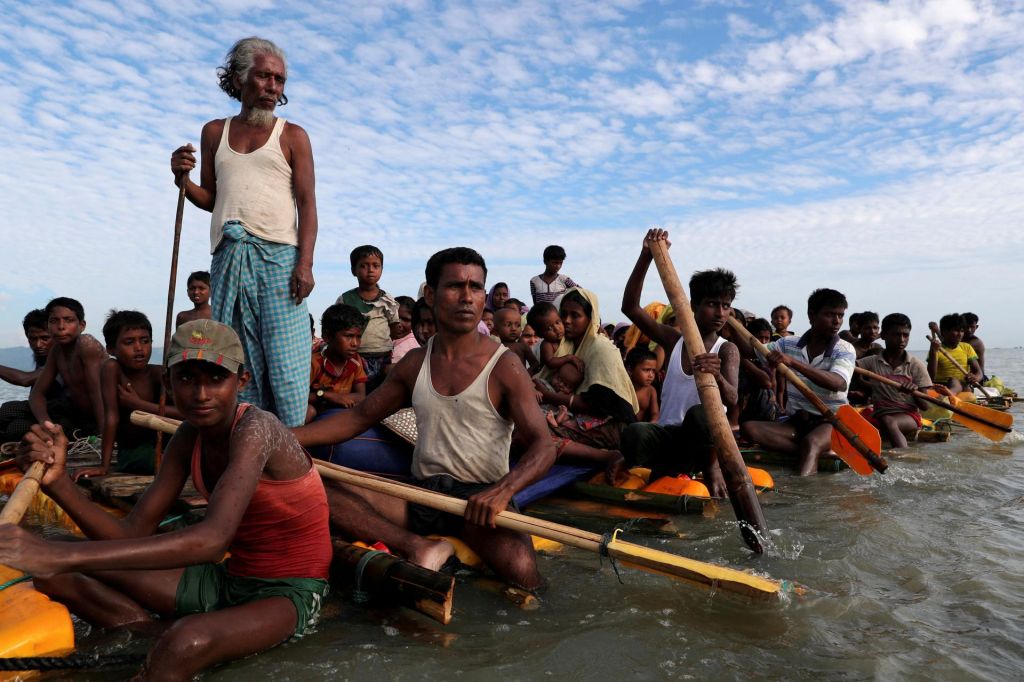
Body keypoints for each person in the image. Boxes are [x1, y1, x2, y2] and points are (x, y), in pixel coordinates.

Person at [3, 320, 332, 681]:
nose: (201, 394)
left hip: (289, 593)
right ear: (168, 383)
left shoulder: (258, 428)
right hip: (229, 581)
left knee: (185, 641)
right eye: (187, 379)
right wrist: (58, 483)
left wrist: (55, 556)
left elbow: (212, 541)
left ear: (242, 381)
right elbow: (130, 534)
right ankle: (145, 635)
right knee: (57, 574)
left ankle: (171, 643)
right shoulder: (189, 435)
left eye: (215, 379)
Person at [295, 247, 556, 590]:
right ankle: (419, 546)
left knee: (525, 574)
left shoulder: (504, 365)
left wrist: (502, 492)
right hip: (423, 494)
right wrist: (286, 436)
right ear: (431, 295)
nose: (466, 297)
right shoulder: (415, 363)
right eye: (455, 286)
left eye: (476, 287)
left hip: (480, 499)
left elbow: (545, 445)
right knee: (320, 489)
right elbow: (358, 418)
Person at [170, 37, 317, 428]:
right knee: (239, 356)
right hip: (229, 257)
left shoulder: (293, 136)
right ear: (238, 80)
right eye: (264, 76)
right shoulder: (214, 132)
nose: (273, 86)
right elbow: (211, 199)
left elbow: (307, 204)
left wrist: (305, 264)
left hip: (280, 260)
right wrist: (180, 178)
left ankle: (290, 447)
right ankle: (248, 441)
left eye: (280, 80)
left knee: (286, 360)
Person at [618, 229, 738, 495]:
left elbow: (732, 400)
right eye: (712, 304)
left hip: (706, 445)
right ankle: (664, 467)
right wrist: (645, 256)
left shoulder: (726, 349)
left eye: (725, 305)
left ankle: (709, 469)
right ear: (693, 305)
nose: (720, 313)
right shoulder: (673, 340)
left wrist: (717, 376)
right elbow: (630, 307)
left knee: (701, 414)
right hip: (671, 438)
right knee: (634, 434)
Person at [740, 288, 856, 476]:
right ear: (812, 315)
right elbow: (749, 350)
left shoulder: (844, 348)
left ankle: (806, 494)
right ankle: (820, 452)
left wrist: (792, 362)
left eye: (840, 316)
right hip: (799, 421)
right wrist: (732, 324)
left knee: (811, 443)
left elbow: (838, 383)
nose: (836, 321)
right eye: (829, 315)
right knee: (749, 428)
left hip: (833, 422)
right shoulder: (787, 343)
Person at [534, 286, 638, 483]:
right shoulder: (568, 346)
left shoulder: (600, 348)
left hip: (611, 424)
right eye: (563, 314)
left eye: (575, 315)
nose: (566, 321)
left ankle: (608, 456)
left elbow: (598, 405)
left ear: (591, 318)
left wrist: (548, 396)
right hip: (579, 416)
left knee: (532, 435)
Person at [75, 311, 181, 480]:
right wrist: (105, 466)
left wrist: (139, 404)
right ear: (111, 349)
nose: (139, 348)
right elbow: (111, 417)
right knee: (154, 463)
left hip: (167, 445)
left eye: (145, 341)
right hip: (134, 452)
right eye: (129, 342)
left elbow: (185, 415)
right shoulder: (112, 368)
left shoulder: (158, 374)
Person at [29, 298, 106, 438]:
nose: (61, 326)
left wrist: (105, 436)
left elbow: (97, 393)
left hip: (106, 417)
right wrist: (46, 424)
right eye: (54, 321)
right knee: (11, 412)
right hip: (79, 416)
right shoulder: (56, 351)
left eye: (68, 320)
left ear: (81, 325)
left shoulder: (86, 344)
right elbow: (36, 394)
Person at [857, 313, 936, 449]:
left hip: (908, 417)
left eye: (906, 335)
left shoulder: (915, 365)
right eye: (896, 335)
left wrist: (914, 391)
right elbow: (847, 368)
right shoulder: (872, 362)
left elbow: (925, 406)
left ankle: (903, 456)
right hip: (879, 414)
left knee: (889, 421)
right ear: (883, 336)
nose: (901, 340)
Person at [338, 245, 400, 391]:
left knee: (382, 391)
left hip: (383, 356)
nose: (370, 270)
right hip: (355, 356)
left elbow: (394, 327)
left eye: (375, 265)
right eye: (364, 266)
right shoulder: (345, 299)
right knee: (358, 391)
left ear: (381, 269)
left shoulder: (387, 300)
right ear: (354, 270)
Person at [0, 310, 56, 441]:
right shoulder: (43, 357)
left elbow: (25, 379)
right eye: (33, 339)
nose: (38, 345)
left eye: (45, 338)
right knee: (9, 418)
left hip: (63, 415)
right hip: (42, 412)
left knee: (12, 418)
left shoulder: (62, 357)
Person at [307, 304, 368, 423]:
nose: (355, 343)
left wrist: (334, 397)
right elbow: (299, 400)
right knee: (309, 411)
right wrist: (326, 395)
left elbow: (360, 396)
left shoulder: (355, 362)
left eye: (358, 337)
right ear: (327, 336)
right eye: (349, 336)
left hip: (341, 416)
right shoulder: (314, 363)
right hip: (317, 417)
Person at [927, 313, 982, 393]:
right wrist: (933, 352)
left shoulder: (966, 347)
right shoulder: (936, 349)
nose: (960, 334)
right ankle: (949, 394)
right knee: (953, 381)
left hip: (963, 385)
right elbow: (930, 377)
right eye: (956, 330)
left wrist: (975, 378)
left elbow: (979, 372)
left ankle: (950, 394)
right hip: (941, 385)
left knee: (960, 384)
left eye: (962, 331)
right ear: (944, 332)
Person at [493, 308, 540, 372]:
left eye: (517, 325)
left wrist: (527, 374)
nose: (514, 329)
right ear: (495, 331)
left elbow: (535, 364)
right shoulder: (494, 348)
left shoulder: (522, 347)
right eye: (508, 325)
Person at [624, 347, 659, 423]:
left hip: (639, 430)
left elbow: (655, 414)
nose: (651, 375)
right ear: (629, 370)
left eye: (653, 371)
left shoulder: (651, 390)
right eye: (646, 370)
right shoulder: (623, 388)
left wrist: (652, 423)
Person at [390, 296, 419, 365]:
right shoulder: (382, 341)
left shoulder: (412, 347)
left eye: (406, 320)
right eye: (395, 317)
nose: (399, 324)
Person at [961, 312, 986, 378]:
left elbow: (953, 346)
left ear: (976, 327)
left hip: (977, 378)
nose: (969, 330)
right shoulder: (960, 339)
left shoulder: (976, 342)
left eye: (972, 327)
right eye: (966, 327)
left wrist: (937, 331)